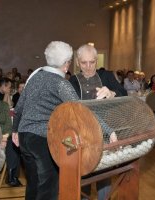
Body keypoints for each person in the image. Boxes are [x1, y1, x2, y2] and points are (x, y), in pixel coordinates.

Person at [12, 41, 79, 200]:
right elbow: (80, 111)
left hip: (25, 136)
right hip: (42, 139)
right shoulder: (61, 83)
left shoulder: (35, 77)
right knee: (48, 188)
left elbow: (19, 107)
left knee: (33, 184)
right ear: (65, 64)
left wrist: (15, 130)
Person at [69, 44, 125, 200]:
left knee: (104, 174)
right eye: (84, 63)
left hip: (105, 132)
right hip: (83, 134)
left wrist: (112, 93)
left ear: (96, 61)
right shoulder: (73, 80)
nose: (88, 67)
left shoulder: (105, 76)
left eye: (92, 62)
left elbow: (124, 93)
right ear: (78, 63)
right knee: (84, 173)